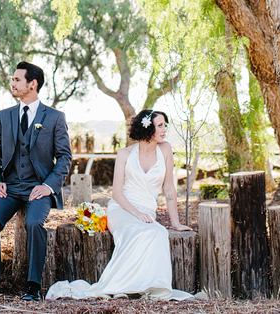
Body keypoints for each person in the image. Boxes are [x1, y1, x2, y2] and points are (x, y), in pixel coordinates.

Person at [46, 109, 195, 300]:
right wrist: (135, 212)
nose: (164, 129)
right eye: (160, 125)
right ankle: (118, 285)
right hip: (122, 208)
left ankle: (149, 285)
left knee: (158, 232)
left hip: (147, 209)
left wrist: (175, 222)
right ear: (147, 128)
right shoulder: (125, 154)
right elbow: (116, 192)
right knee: (140, 232)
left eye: (165, 125)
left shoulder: (165, 149)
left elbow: (169, 188)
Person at [0, 62, 72, 301]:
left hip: (38, 188)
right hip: (8, 187)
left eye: (17, 80)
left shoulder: (55, 117)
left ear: (33, 84)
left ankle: (33, 286)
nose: (13, 83)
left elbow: (65, 157)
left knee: (33, 225)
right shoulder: (4, 116)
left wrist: (48, 186)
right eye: (13, 79)